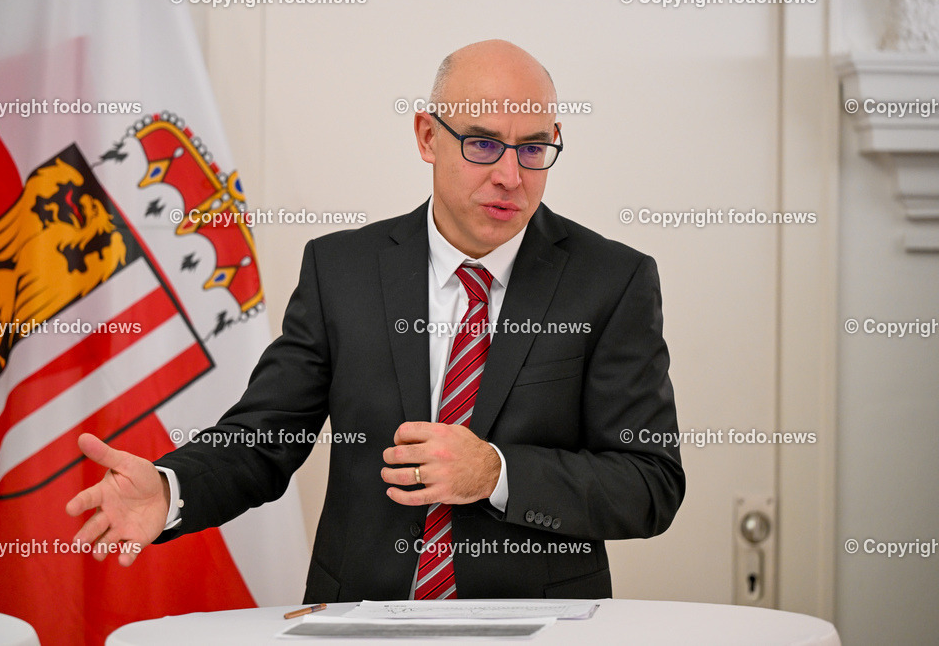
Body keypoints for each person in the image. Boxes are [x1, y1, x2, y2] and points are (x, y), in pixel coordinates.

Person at [66, 39, 685, 602]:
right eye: (482, 144)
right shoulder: (341, 271)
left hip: (536, 626)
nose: (510, 175)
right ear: (427, 136)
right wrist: (172, 489)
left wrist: (496, 472)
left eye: (533, 149)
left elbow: (649, 483)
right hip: (360, 618)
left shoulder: (612, 281)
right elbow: (265, 435)